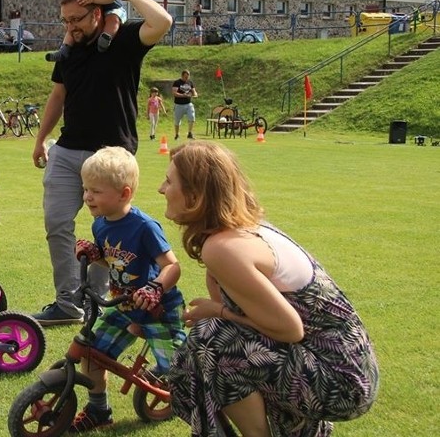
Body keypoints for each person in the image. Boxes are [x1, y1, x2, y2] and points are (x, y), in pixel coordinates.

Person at [160, 141, 379, 437]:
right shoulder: (240, 231)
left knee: (211, 337)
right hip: (335, 366)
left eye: (169, 181)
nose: (162, 189)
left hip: (342, 381)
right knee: (191, 361)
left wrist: (219, 311)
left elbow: (290, 329)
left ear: (196, 195)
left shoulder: (224, 247)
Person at [30, 0, 174, 326]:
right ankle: (68, 303)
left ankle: (94, 298)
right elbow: (58, 96)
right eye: (65, 21)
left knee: (108, 229)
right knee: (56, 222)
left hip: (111, 152)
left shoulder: (124, 40)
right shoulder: (69, 50)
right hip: (67, 149)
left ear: (98, 12)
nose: (71, 28)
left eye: (77, 19)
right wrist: (40, 138)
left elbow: (163, 22)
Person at [68, 146, 185, 432]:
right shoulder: (100, 225)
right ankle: (98, 409)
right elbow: (115, 263)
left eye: (95, 191)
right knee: (93, 353)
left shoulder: (145, 227)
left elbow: (173, 266)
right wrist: (95, 254)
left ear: (124, 193)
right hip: (123, 305)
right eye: (85, 189)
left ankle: (184, 383)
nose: (87, 196)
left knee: (177, 369)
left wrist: (155, 288)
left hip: (158, 308)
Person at [172, 69, 198, 140]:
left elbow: (194, 92)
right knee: (177, 121)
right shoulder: (177, 82)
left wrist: (194, 95)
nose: (187, 78)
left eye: (188, 76)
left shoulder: (190, 82)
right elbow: (174, 93)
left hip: (188, 104)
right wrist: (183, 95)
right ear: (182, 76)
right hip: (179, 105)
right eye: (185, 76)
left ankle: (190, 133)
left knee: (192, 117)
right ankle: (177, 134)